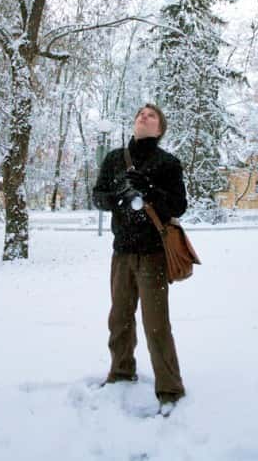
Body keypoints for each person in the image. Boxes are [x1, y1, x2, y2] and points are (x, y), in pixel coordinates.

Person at [93, 104, 187, 412]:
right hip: (121, 252)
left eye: (151, 115)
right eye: (140, 115)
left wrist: (150, 190)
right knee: (119, 318)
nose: (143, 117)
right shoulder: (114, 159)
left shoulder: (168, 163)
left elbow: (178, 206)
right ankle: (121, 372)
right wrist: (118, 199)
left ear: (160, 128)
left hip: (153, 255)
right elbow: (98, 196)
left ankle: (170, 390)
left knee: (156, 324)